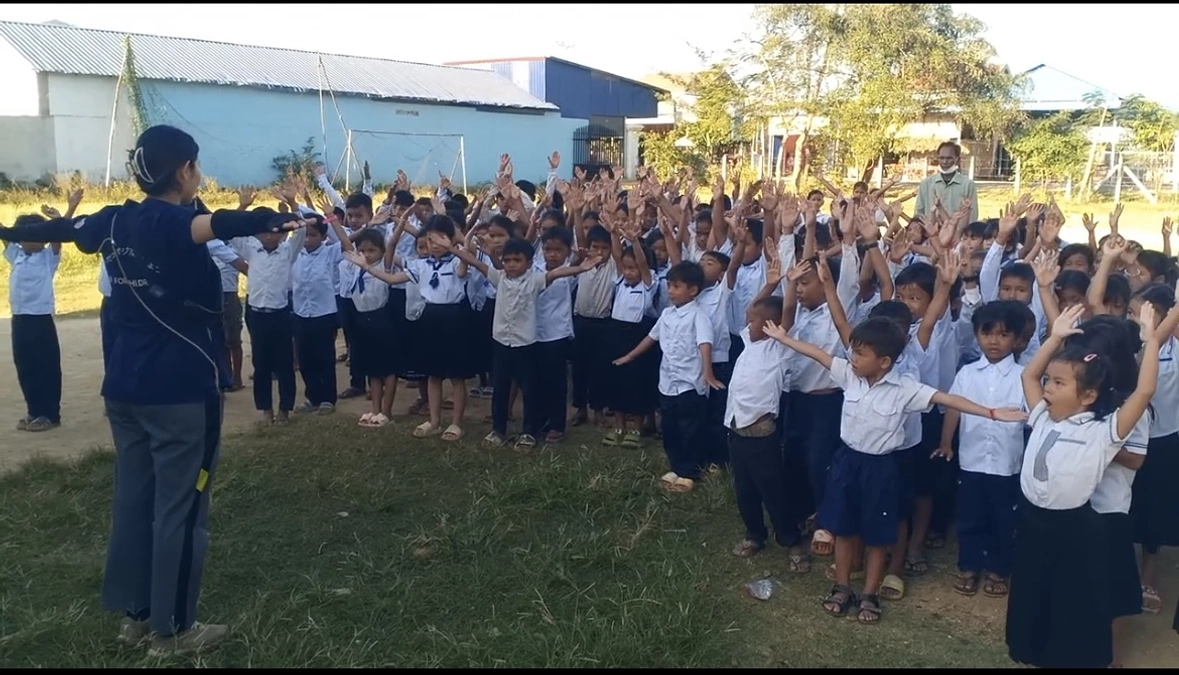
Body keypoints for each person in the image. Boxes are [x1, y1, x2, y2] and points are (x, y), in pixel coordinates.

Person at [0, 124, 307, 656]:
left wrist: (13, 233)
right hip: (180, 390)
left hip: (124, 388)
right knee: (181, 510)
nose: (200, 176)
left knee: (135, 500)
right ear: (185, 171)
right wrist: (275, 217)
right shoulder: (178, 222)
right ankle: (174, 630)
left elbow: (71, 232)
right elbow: (221, 222)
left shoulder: (114, 219)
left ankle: (137, 616)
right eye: (198, 166)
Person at [761, 314, 1026, 625]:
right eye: (853, 351)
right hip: (848, 463)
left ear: (884, 361)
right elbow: (818, 354)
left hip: (881, 468)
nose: (852, 358)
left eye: (860, 353)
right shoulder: (850, 375)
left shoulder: (905, 389)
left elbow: (946, 397)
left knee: (877, 536)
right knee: (844, 530)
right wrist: (783, 338)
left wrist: (991, 412)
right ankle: (842, 587)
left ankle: (870, 594)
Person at [1006, 303, 1166, 669]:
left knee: (1072, 605)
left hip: (1073, 528)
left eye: (1059, 383)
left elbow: (1143, 393)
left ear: (1089, 395)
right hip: (1033, 522)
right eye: (1050, 380)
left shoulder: (1102, 433)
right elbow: (1029, 376)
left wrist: (1152, 341)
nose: (1047, 387)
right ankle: (1035, 652)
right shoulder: (1044, 417)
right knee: (1033, 595)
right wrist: (1056, 337)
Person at [613, 260, 722, 493]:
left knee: (690, 427)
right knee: (670, 426)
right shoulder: (667, 314)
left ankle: (690, 471)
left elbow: (705, 345)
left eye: (676, 286)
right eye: (669, 286)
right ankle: (676, 466)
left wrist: (708, 374)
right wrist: (630, 356)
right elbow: (652, 338)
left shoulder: (698, 316)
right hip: (668, 382)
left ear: (693, 290)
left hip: (690, 383)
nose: (670, 291)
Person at [4, 215, 63, 433]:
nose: (32, 240)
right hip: (19, 317)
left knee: (45, 367)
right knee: (25, 366)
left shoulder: (49, 257)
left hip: (40, 319)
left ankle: (50, 414)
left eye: (38, 235)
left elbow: (59, 234)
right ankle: (34, 410)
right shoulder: (15, 254)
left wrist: (65, 212)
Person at [914, 141, 979, 224]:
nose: (944, 162)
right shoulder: (926, 184)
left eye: (949, 158)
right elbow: (918, 214)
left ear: (957, 160)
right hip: (930, 234)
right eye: (942, 158)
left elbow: (972, 217)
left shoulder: (968, 185)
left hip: (958, 234)